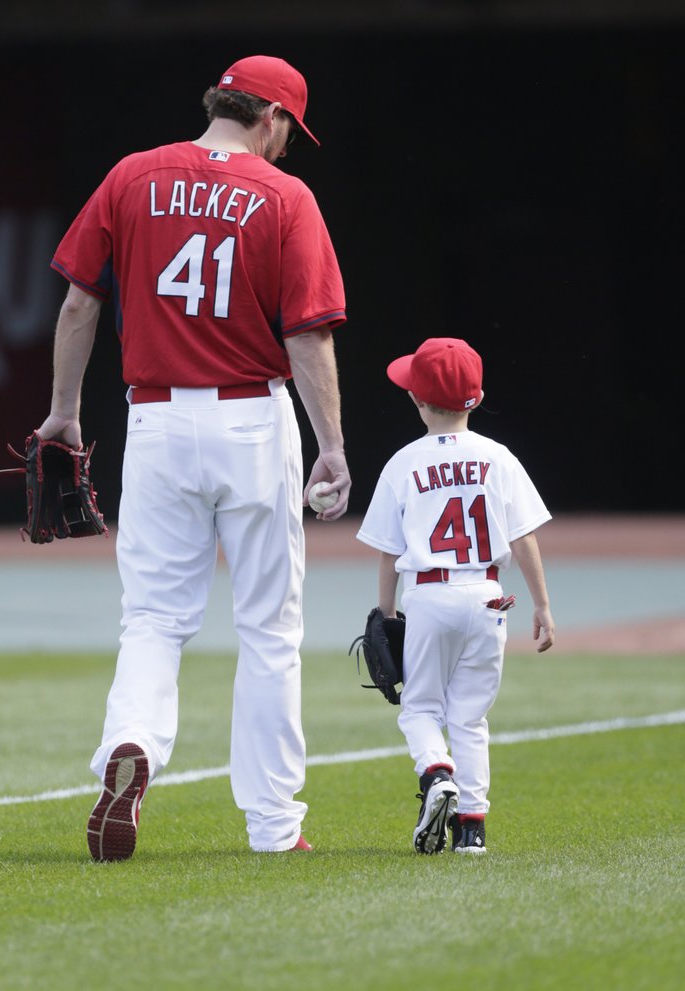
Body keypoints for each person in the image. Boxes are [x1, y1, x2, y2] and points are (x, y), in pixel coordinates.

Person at [37, 55, 350, 859]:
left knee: (152, 616)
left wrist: (65, 413)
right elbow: (307, 334)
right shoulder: (286, 196)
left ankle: (129, 745)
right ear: (272, 118)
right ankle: (275, 826)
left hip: (159, 422)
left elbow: (79, 300)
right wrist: (333, 447)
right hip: (252, 419)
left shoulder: (133, 175)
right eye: (290, 131)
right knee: (269, 629)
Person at [356, 338, 554, 855]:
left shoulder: (403, 462)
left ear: (417, 400)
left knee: (419, 709)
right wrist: (543, 605)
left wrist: (386, 612)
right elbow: (524, 536)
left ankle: (436, 774)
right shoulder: (498, 457)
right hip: (489, 596)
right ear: (478, 395)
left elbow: (386, 551)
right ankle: (471, 830)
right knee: (469, 717)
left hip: (429, 594)